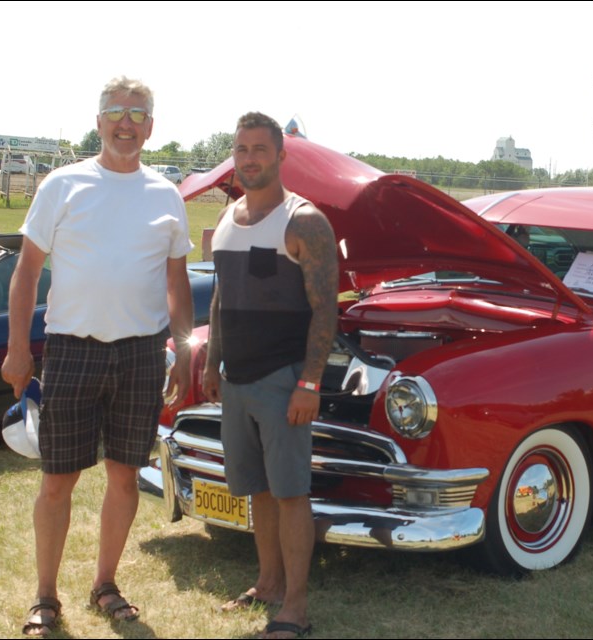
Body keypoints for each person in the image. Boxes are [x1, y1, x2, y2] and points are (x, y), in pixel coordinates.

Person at [1, 76, 194, 637]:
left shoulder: (166, 195)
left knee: (125, 477)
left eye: (138, 114)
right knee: (57, 481)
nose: (126, 122)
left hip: (139, 357)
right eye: (116, 111)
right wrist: (18, 349)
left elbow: (177, 283)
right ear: (98, 121)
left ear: (151, 128)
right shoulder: (62, 185)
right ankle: (44, 596)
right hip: (70, 352)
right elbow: (26, 272)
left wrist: (182, 353)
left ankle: (105, 584)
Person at [203, 112, 338, 639]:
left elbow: (325, 309)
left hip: (284, 381)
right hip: (235, 381)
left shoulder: (303, 220)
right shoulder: (228, 218)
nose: (250, 158)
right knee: (257, 489)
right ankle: (267, 584)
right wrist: (213, 362)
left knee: (289, 493)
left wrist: (309, 381)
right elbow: (220, 297)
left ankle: (296, 609)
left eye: (261, 149)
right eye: (241, 149)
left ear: (282, 156)